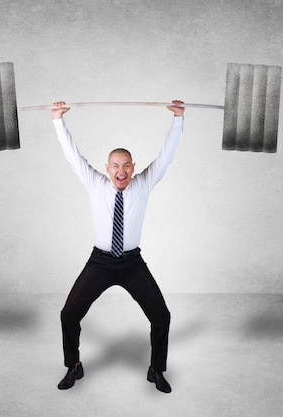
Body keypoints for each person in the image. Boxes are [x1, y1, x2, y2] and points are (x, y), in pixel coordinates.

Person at [51, 100, 185, 393]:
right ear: (107, 168)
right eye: (115, 165)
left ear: (133, 168)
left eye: (126, 165)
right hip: (99, 262)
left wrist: (178, 119)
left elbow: (166, 157)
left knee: (161, 316)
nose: (121, 170)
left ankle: (156, 369)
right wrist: (58, 120)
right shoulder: (95, 183)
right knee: (69, 314)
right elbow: (72, 156)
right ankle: (73, 365)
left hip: (132, 263)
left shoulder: (143, 184)